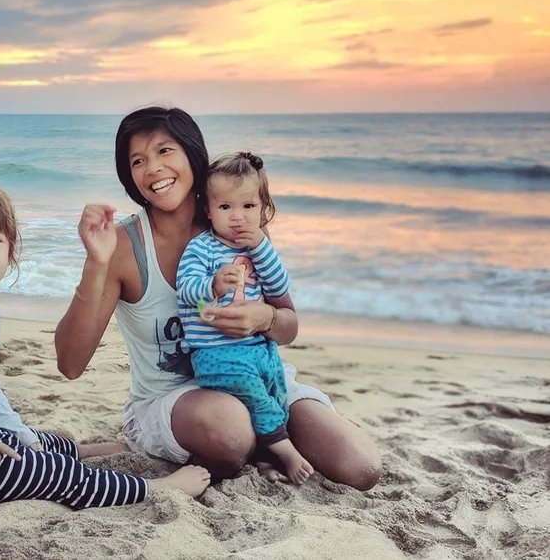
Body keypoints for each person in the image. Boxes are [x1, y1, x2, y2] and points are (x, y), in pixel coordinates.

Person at [55, 106, 381, 489]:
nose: (153, 168)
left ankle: (266, 445)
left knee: (361, 468)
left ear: (193, 153)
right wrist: (96, 262)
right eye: (137, 160)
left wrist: (264, 319)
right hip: (174, 402)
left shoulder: (239, 225)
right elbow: (70, 365)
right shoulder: (124, 245)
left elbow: (289, 324)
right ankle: (149, 445)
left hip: (259, 382)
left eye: (164, 151)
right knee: (231, 430)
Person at [0, 178, 211, 509]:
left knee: (39, 441)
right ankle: (155, 489)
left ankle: (77, 450)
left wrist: (17, 432)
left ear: (10, 250)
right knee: (56, 473)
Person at [176, 151, 313, 484]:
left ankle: (265, 460)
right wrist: (213, 284)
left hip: (259, 349)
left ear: (264, 209)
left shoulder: (259, 248)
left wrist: (262, 247)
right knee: (255, 395)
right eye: (225, 207)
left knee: (275, 391)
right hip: (216, 353)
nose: (237, 217)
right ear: (208, 210)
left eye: (248, 207)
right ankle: (285, 450)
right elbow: (185, 288)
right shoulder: (202, 248)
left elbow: (279, 287)